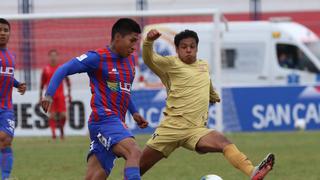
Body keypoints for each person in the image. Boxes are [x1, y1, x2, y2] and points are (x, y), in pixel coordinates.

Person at [140, 29, 275, 180]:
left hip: (195, 130)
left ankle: (253, 172)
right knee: (136, 170)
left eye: (192, 46)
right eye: (184, 47)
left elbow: (205, 81)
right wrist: (148, 42)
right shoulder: (170, 64)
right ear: (177, 49)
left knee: (224, 142)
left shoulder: (203, 65)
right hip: (170, 130)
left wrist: (212, 94)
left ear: (197, 48)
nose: (188, 50)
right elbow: (148, 59)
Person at [41, 18, 148, 180]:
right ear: (118, 37)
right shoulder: (97, 58)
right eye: (132, 40)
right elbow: (63, 69)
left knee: (94, 177)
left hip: (113, 123)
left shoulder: (129, 61)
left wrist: (134, 112)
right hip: (104, 120)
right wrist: (49, 94)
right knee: (134, 151)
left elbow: (122, 91)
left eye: (136, 42)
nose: (134, 47)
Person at [0, 18, 26, 180]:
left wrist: (17, 84)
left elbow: (7, 76)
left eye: (5, 30)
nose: (2, 33)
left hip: (6, 107)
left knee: (6, 140)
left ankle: (5, 178)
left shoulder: (11, 56)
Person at [39, 49, 71, 140]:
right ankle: (53, 135)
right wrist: (40, 96)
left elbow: (67, 81)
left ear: (57, 57)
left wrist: (69, 93)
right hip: (50, 96)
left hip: (60, 95)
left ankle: (61, 130)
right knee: (52, 115)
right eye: (51, 56)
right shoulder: (46, 69)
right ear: (49, 57)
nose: (53, 57)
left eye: (55, 55)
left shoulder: (61, 68)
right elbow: (42, 84)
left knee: (63, 115)